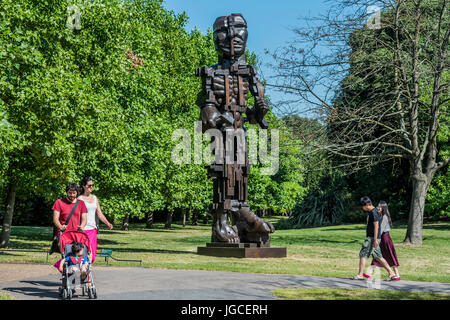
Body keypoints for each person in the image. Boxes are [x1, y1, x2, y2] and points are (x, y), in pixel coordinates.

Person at [353, 196, 399, 281]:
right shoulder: (375, 212)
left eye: (363, 206)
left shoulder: (373, 213)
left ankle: (360, 275)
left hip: (371, 238)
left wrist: (375, 239)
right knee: (378, 257)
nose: (362, 208)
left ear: (367, 205)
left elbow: (376, 226)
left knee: (363, 254)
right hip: (375, 238)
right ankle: (391, 273)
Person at [52, 182, 88, 271]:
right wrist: (60, 226)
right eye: (70, 193)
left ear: (77, 193)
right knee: (67, 255)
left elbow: (84, 218)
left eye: (74, 193)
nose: (72, 195)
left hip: (77, 234)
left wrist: (82, 226)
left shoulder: (81, 203)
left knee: (80, 254)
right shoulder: (59, 202)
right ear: (66, 192)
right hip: (65, 234)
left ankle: (80, 273)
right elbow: (55, 218)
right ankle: (67, 274)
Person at [78, 177, 113, 263]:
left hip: (92, 229)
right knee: (83, 254)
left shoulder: (94, 198)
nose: (91, 187)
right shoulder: (79, 199)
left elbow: (99, 213)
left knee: (92, 256)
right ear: (83, 186)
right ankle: (85, 272)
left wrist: (107, 223)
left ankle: (85, 270)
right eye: (89, 185)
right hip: (83, 230)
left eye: (92, 185)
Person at [367, 201, 401, 280]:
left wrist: (376, 239)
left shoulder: (384, 217)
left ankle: (397, 275)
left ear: (384, 208)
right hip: (382, 238)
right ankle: (370, 273)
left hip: (385, 239)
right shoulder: (380, 216)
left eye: (380, 207)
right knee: (377, 255)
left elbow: (381, 229)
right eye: (378, 206)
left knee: (389, 256)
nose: (378, 208)